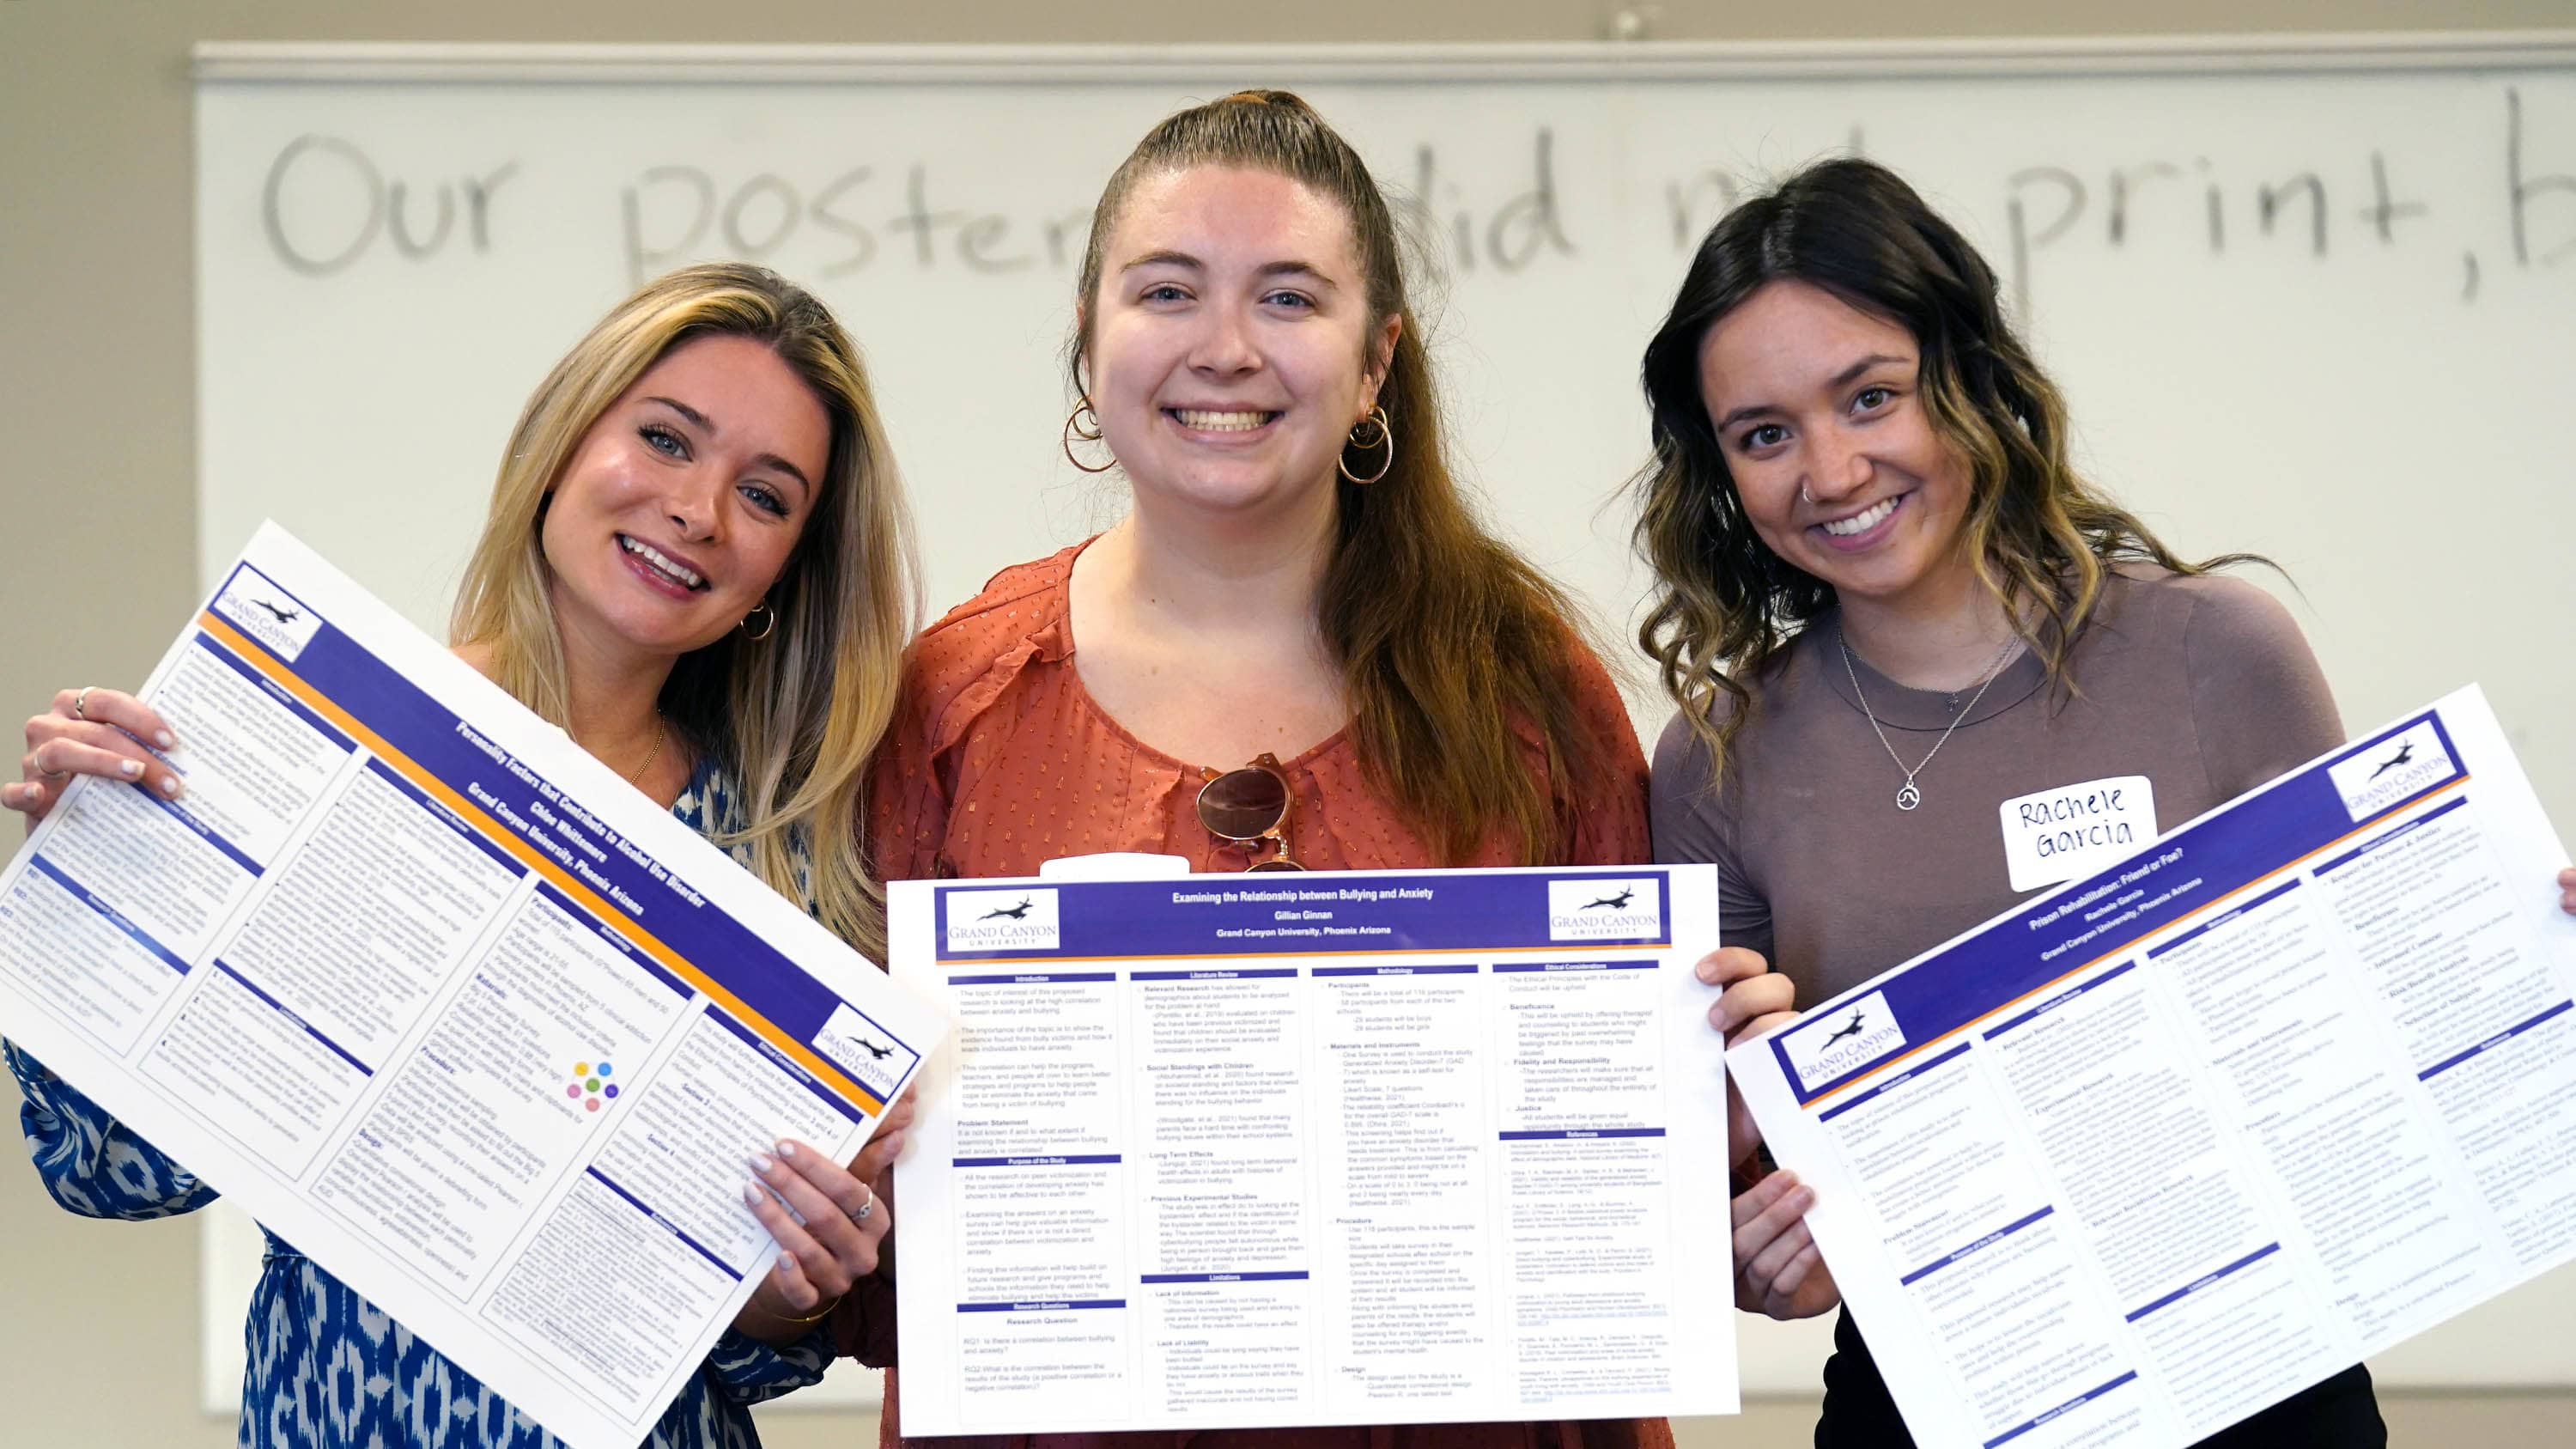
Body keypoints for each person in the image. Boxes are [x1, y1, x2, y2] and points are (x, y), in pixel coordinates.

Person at [840, 89, 1782, 1449]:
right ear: (1089, 338)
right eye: (1168, 290)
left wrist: (1715, 1084)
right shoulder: (956, 702)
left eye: (1289, 298)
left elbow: (1640, 1205)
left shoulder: (1524, 688)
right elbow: (880, 1269)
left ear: (1377, 359)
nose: (1225, 348)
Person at [6, 262, 921, 1449]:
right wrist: (92, 880)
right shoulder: (321, 753)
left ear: (786, 570)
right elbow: (111, 1170)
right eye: (664, 438)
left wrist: (795, 1292)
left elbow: (742, 1355)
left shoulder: (785, 864)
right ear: (561, 444)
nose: (699, 510)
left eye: (766, 494)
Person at [1632, 159, 2388, 1444]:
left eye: (1870, 397)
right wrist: (1765, 1248)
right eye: (1764, 434)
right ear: (1722, 472)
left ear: (1970, 379)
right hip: (1925, 1399)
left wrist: (2521, 956)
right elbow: (1741, 1181)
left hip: (2256, 1371)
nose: (1829, 468)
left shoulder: (2217, 654)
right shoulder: (1719, 758)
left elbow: (2350, 1033)